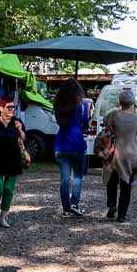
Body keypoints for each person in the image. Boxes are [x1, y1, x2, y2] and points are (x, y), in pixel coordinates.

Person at [102, 88, 137, 224]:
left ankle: (112, 204)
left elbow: (105, 123)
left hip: (113, 155)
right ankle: (122, 214)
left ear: (120, 102)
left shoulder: (113, 115)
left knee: (111, 182)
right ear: (132, 103)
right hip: (130, 156)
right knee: (126, 186)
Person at [0, 93, 28, 227]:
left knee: (9, 189)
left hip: (13, 159)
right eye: (9, 107)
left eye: (14, 107)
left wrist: (20, 130)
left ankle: (3, 217)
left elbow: (23, 139)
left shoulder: (17, 122)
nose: (12, 110)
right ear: (1, 108)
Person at [53, 80, 90, 217]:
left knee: (64, 179)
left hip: (61, 144)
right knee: (78, 177)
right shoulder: (82, 105)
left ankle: (65, 208)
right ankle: (74, 204)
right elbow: (85, 125)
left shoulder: (59, 105)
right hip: (77, 143)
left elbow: (60, 123)